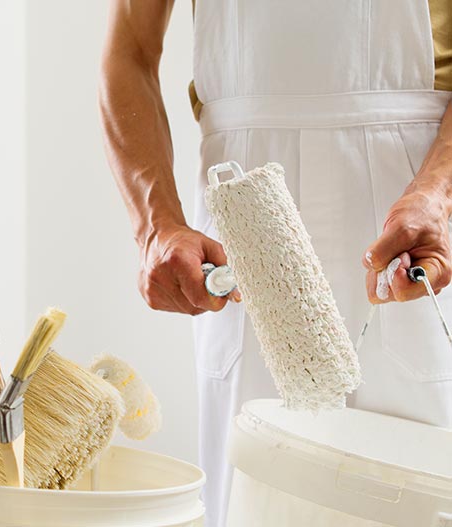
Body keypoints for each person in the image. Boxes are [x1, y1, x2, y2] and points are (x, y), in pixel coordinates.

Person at [99, 2, 452, 526]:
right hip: (243, 211)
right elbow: (129, 48)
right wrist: (157, 227)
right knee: (255, 490)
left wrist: (439, 194)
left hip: (408, 198)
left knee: (417, 493)